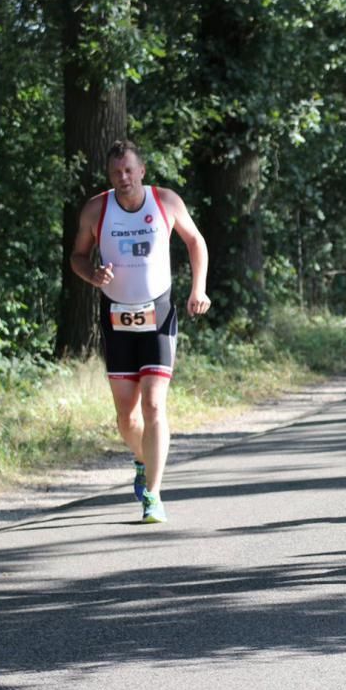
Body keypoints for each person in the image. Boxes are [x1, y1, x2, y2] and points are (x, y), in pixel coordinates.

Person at [70, 140, 210, 524]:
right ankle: (143, 458)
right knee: (126, 418)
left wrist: (198, 289)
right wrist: (92, 274)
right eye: (117, 173)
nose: (124, 178)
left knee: (153, 405)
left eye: (130, 170)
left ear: (142, 171)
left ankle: (154, 493)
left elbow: (196, 242)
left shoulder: (164, 201)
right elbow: (77, 257)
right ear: (109, 176)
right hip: (116, 318)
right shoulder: (97, 209)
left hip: (158, 313)